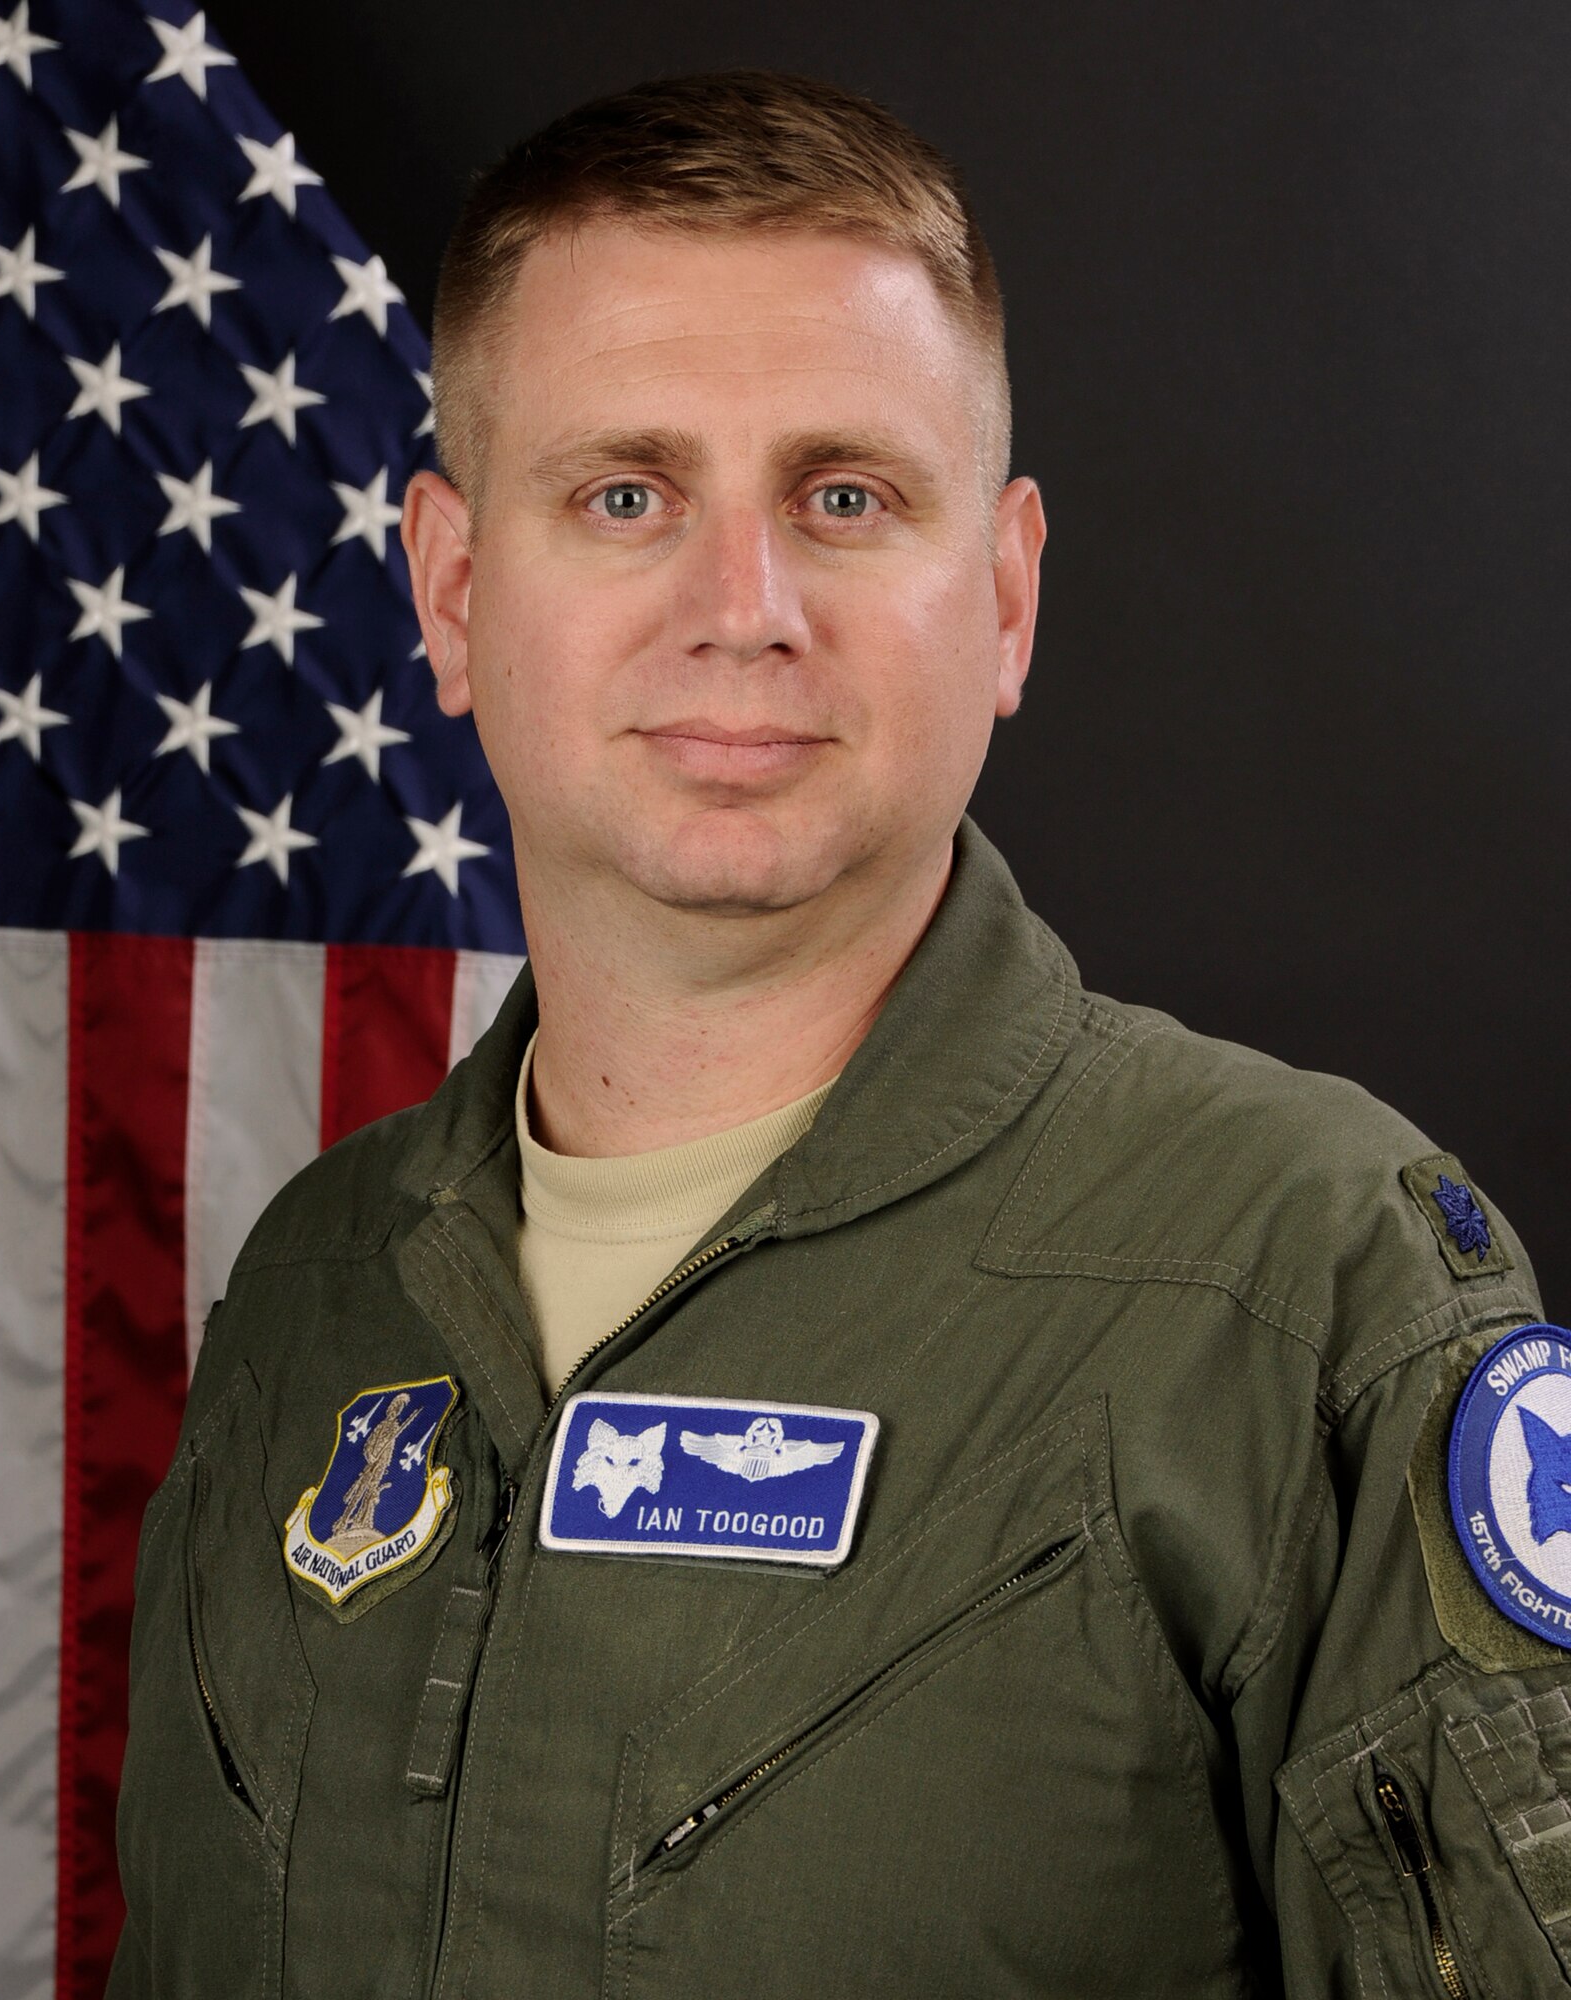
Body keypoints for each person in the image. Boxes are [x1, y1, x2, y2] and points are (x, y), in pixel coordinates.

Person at [109, 70, 1571, 1999]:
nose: (745, 608)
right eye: (625, 494)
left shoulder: (1310, 1282)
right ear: (456, 595)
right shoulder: (315, 1289)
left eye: (847, 495)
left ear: (1009, 594)